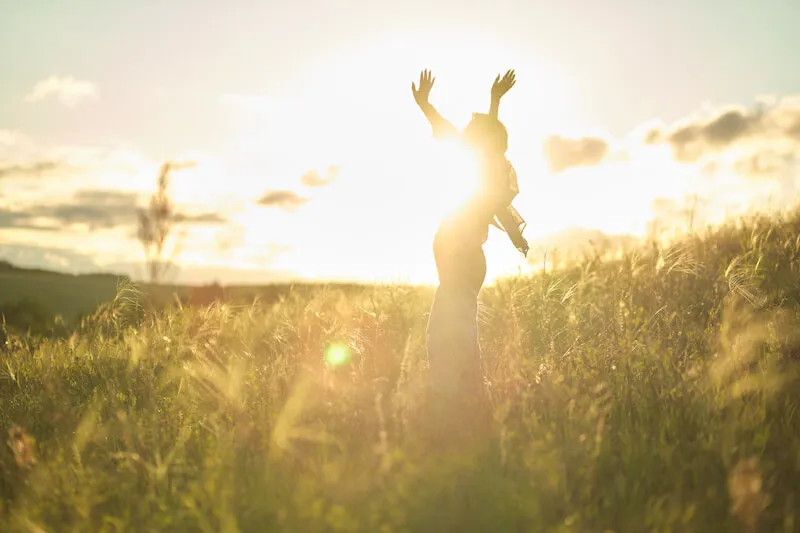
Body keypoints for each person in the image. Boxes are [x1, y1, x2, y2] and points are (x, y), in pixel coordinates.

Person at [412, 69, 528, 438]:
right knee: (458, 326)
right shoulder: (489, 166)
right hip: (462, 258)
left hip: (462, 258)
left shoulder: (485, 164)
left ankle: (449, 402)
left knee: (447, 329)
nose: (465, 131)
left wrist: (427, 105)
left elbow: (455, 134)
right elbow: (474, 142)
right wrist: (493, 101)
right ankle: (468, 397)